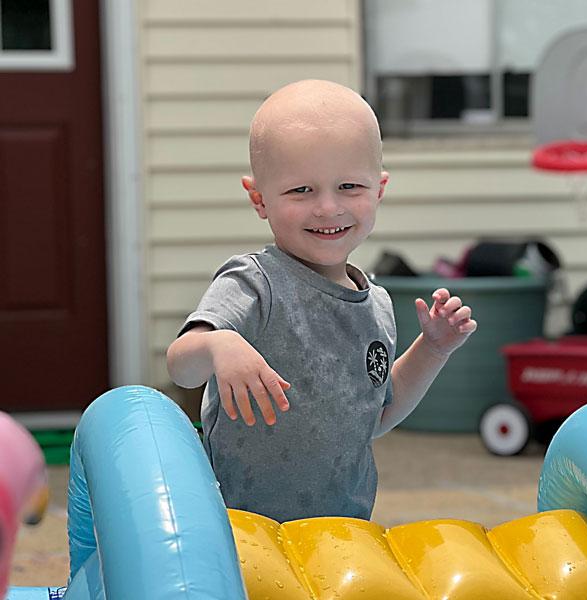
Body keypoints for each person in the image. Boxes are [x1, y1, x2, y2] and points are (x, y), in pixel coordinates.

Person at [166, 79, 477, 522]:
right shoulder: (255, 283)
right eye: (301, 191)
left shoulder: (377, 306)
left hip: (339, 535)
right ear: (259, 199)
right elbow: (180, 364)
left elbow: (376, 416)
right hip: (239, 531)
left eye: (349, 186)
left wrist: (433, 349)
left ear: (379, 190)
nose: (328, 208)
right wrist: (219, 345)